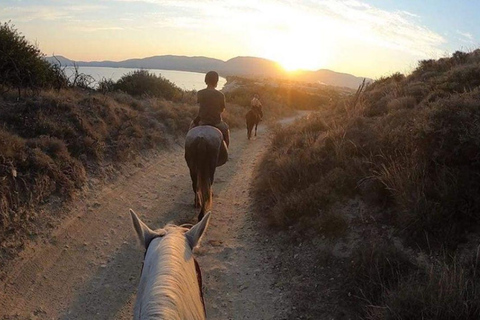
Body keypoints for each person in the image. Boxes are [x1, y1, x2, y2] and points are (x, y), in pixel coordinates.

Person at [192, 71, 230, 147]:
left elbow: (200, 106)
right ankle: (225, 155)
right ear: (216, 81)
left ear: (206, 80)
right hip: (216, 122)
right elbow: (222, 109)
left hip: (202, 121)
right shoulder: (220, 95)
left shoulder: (200, 93)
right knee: (226, 131)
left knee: (191, 129)